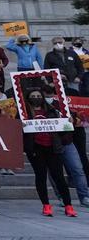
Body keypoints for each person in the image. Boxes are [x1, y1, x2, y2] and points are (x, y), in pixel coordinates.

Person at [22, 88, 79, 217]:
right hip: (36, 148)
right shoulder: (24, 113)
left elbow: (63, 128)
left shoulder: (52, 110)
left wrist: (69, 122)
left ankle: (68, 205)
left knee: (59, 177)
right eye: (33, 96)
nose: (36, 97)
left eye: (38, 95)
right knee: (41, 176)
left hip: (53, 147)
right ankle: (46, 205)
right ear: (28, 98)